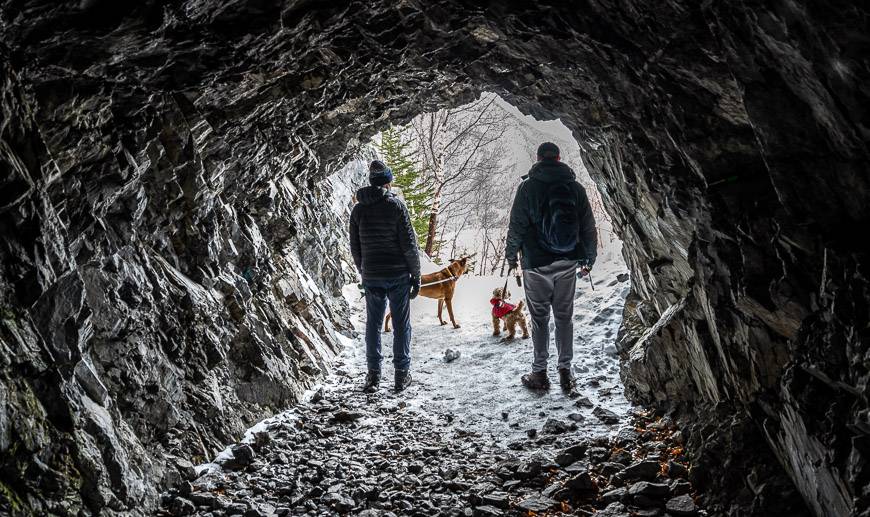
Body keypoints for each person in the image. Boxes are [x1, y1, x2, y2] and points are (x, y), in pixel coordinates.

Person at [505, 142, 597, 391]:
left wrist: (511, 257)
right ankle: (566, 373)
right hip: (567, 260)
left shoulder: (528, 188)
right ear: (558, 158)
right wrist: (589, 257)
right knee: (564, 317)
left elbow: (517, 226)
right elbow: (588, 225)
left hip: (535, 263)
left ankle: (540, 374)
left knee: (540, 319)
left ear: (538, 159)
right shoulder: (575, 188)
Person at [350, 160, 422, 393]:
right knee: (401, 325)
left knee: (374, 324)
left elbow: (355, 247)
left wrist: (365, 271)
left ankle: (373, 376)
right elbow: (409, 245)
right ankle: (401, 376)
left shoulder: (358, 210)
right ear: (388, 182)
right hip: (398, 275)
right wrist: (416, 275)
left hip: (372, 276)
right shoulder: (396, 207)